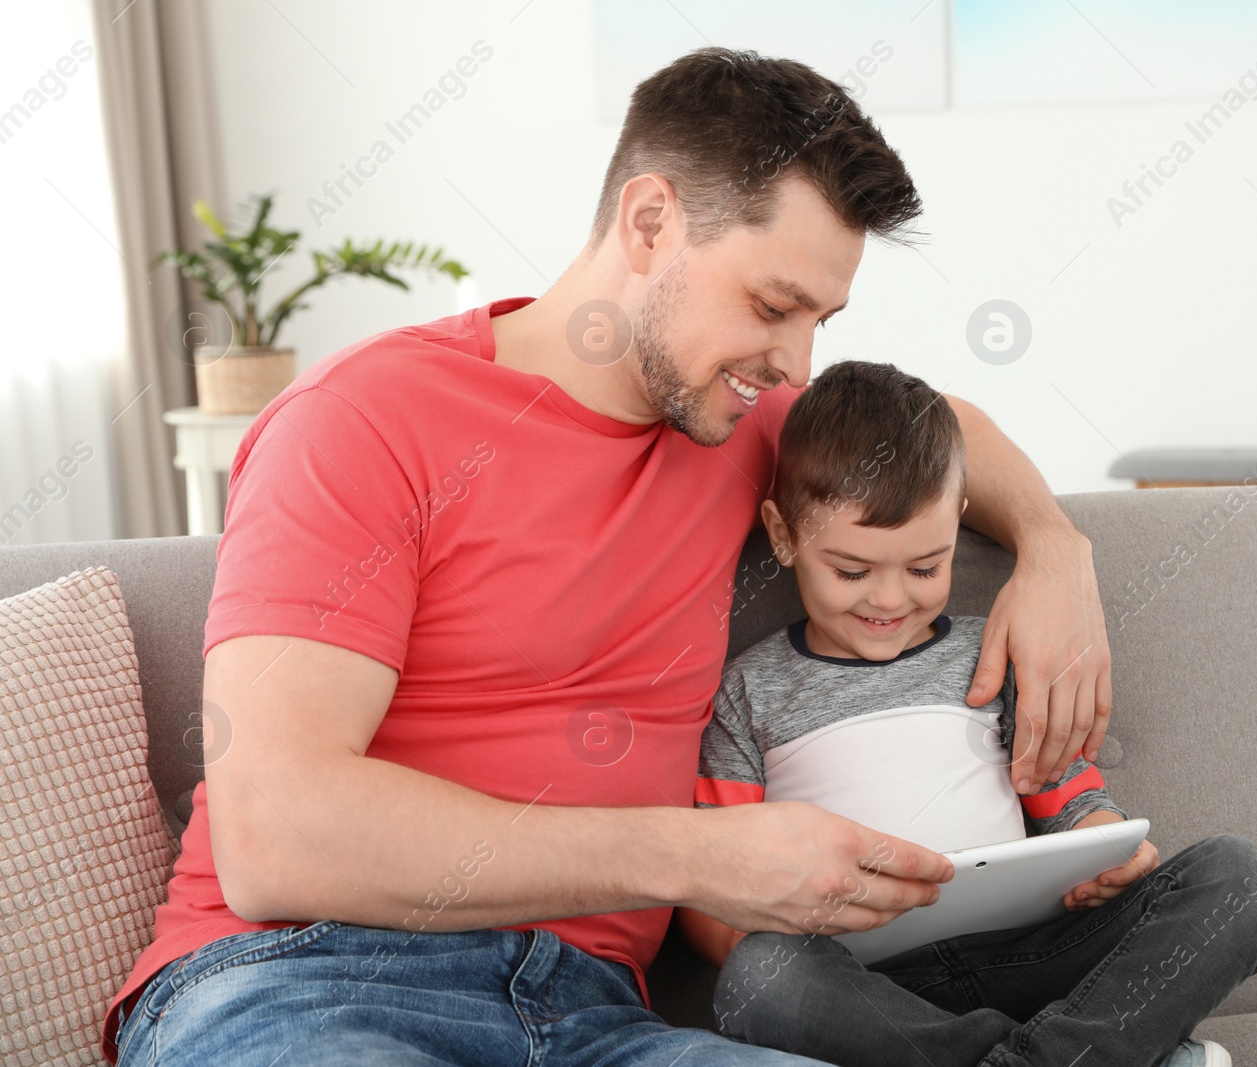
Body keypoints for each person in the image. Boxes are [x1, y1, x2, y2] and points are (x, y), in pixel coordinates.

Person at [104, 48, 1117, 1066]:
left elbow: (941, 428)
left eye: (822, 320)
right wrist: (697, 855)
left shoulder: (742, 424)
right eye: (772, 306)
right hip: (303, 984)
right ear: (648, 223)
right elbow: (275, 834)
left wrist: (1053, 546)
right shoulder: (363, 420)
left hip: (591, 1018)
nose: (796, 363)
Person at [680, 361, 1257, 1067]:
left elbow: (1071, 797)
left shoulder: (994, 651)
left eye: (924, 568)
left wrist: (1107, 846)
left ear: (959, 520)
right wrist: (775, 925)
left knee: (1242, 878)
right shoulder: (748, 692)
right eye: (852, 571)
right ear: (784, 536)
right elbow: (714, 890)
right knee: (761, 977)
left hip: (1033, 957)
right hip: (873, 987)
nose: (888, 600)